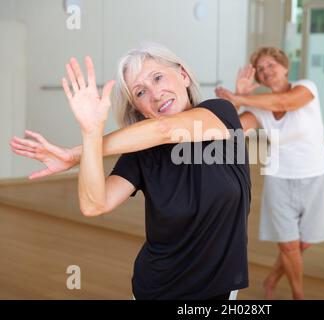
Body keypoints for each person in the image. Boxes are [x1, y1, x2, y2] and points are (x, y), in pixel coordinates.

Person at [10, 43, 251, 300]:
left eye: (158, 77)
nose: (155, 94)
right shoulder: (142, 154)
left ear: (183, 75)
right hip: (156, 289)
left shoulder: (220, 114)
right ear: (138, 109)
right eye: (140, 92)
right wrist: (90, 133)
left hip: (219, 290)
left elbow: (166, 130)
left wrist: (74, 155)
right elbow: (94, 205)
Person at [215, 47, 324, 300]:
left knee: (303, 243)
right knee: (289, 245)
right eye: (260, 69)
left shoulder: (306, 87)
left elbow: (284, 102)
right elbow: (231, 131)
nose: (266, 71)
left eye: (271, 65)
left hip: (317, 174)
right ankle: (298, 295)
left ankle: (271, 280)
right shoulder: (258, 108)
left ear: (284, 66)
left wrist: (241, 98)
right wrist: (234, 100)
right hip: (279, 179)